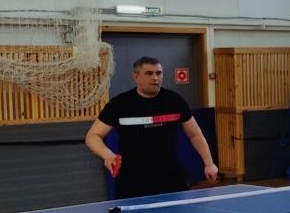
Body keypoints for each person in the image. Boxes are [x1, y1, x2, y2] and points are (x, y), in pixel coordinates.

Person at [85, 56, 219, 198]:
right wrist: (107, 155)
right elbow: (92, 136)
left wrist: (209, 164)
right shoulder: (119, 104)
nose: (155, 78)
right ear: (136, 77)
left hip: (170, 178)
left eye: (158, 73)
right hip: (132, 180)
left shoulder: (175, 101)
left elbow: (195, 134)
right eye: (149, 73)